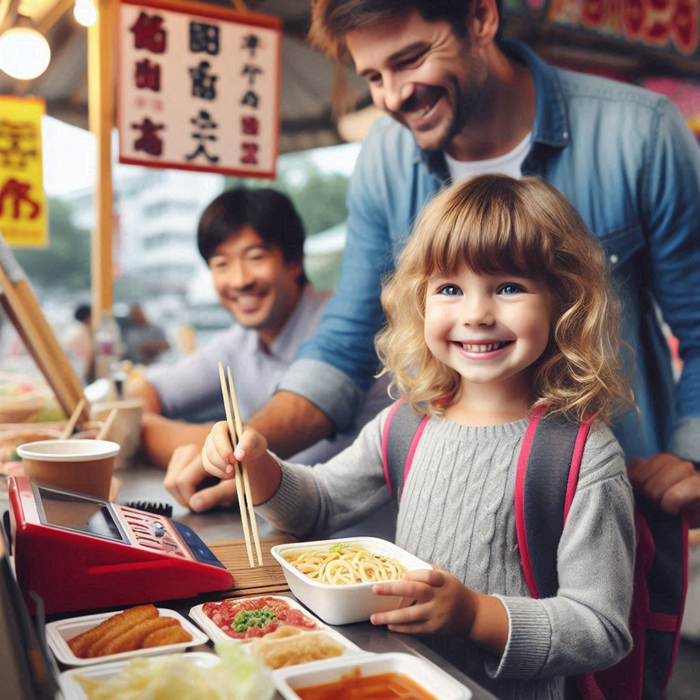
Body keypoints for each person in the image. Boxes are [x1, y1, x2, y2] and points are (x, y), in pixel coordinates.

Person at [235, 0, 700, 526]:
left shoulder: (642, 134)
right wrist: (247, 446)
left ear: (481, 18)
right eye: (372, 77)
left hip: (617, 508)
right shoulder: (385, 155)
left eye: (410, 59)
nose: (392, 96)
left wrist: (693, 458)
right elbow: (346, 339)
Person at [202, 176, 636, 699]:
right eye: (450, 289)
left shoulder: (581, 455)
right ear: (420, 300)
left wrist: (476, 614)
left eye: (509, 287)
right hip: (398, 681)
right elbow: (318, 505)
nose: (476, 314)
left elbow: (601, 627)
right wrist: (258, 464)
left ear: (563, 299)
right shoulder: (407, 422)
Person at [131, 187, 391, 513]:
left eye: (256, 257)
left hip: (354, 541)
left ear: (293, 261)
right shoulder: (239, 340)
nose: (240, 280)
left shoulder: (345, 331)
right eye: (221, 263)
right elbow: (150, 390)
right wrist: (155, 430)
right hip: (282, 527)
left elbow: (232, 459)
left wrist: (147, 432)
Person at [63, 303, 94, 384]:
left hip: (70, 370)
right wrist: (88, 376)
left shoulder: (74, 328)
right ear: (88, 316)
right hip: (77, 371)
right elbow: (87, 354)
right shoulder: (82, 330)